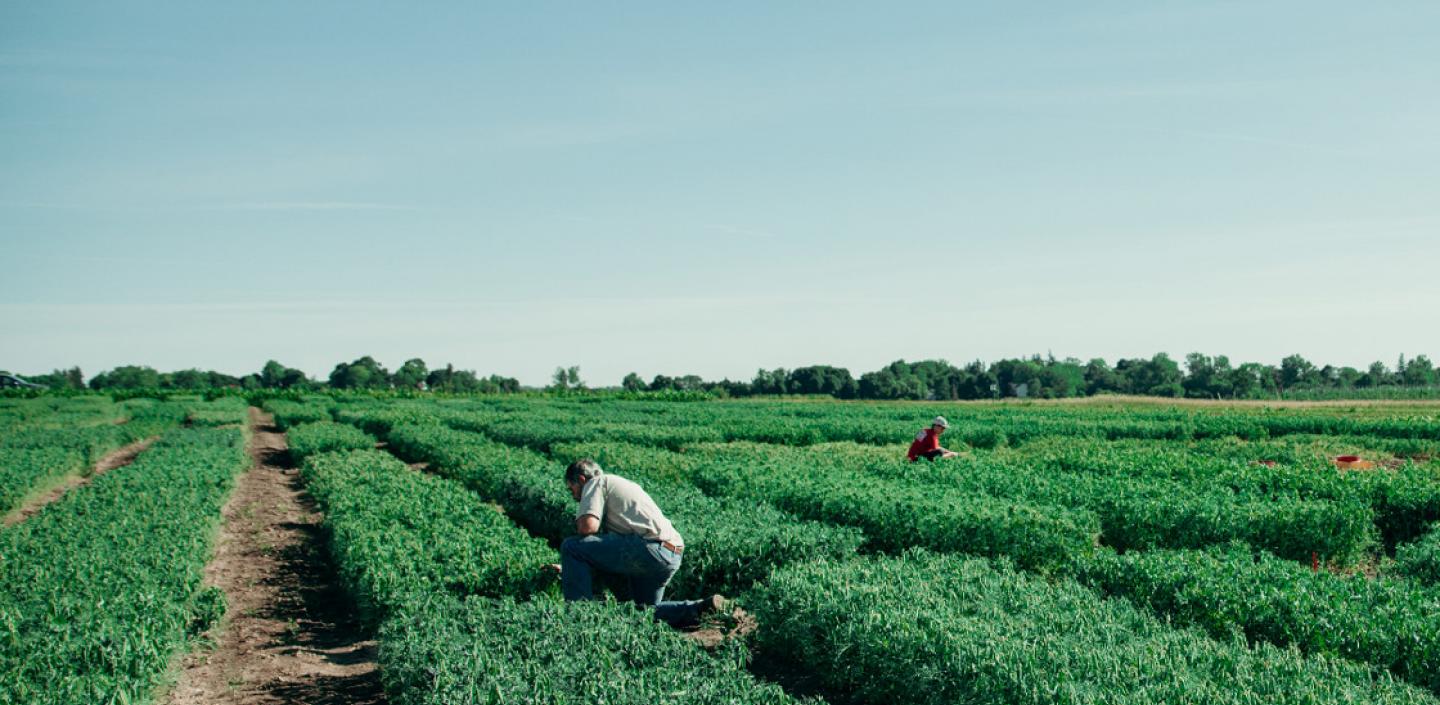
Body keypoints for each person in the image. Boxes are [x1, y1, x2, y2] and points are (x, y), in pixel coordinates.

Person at [557, 458, 723, 628]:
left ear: (582, 480)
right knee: (643, 613)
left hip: (650, 549)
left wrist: (572, 559)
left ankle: (578, 619)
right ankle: (701, 608)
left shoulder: (596, 483)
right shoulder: (620, 484)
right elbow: (600, 551)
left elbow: (587, 527)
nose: (573, 495)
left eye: (572, 488)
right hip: (670, 554)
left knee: (571, 547)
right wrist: (570, 569)